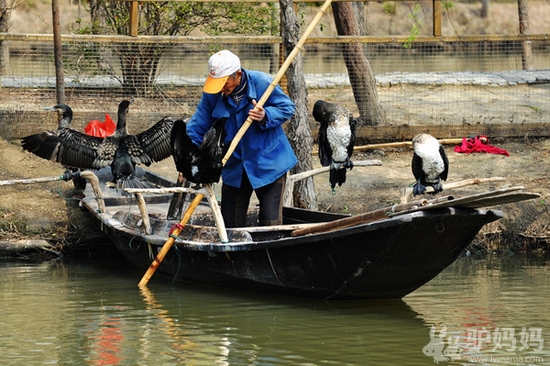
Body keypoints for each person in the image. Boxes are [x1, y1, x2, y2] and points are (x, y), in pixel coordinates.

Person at [185, 49, 297, 228]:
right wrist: (187, 156)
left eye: (224, 82)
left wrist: (266, 115)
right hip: (234, 163)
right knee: (229, 224)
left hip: (268, 163)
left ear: (237, 75)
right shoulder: (213, 94)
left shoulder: (263, 83)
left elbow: (287, 108)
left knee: (270, 222)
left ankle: (267, 254)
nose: (221, 88)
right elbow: (198, 126)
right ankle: (234, 255)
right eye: (217, 83)